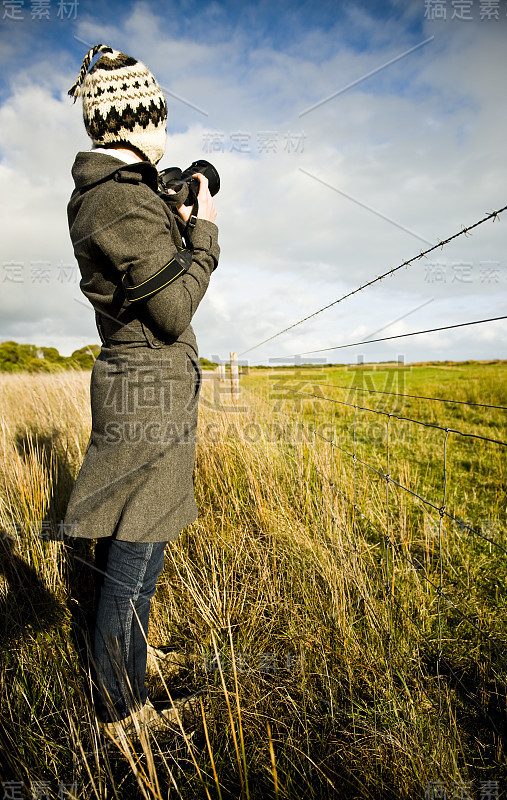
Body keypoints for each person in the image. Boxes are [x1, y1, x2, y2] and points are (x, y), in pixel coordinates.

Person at [64, 44, 219, 735]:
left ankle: (128, 654)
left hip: (145, 382)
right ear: (132, 121)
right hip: (144, 387)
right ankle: (121, 710)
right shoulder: (120, 201)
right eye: (158, 117)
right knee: (135, 542)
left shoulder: (125, 194)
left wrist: (175, 222)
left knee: (139, 535)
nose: (165, 131)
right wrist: (204, 236)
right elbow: (172, 310)